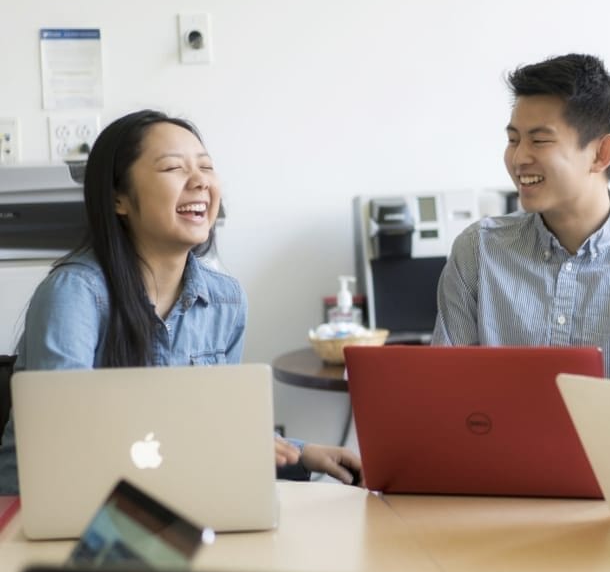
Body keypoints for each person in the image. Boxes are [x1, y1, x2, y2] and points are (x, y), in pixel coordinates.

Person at [0, 109, 361, 494]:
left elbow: (222, 425)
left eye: (206, 167)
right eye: (173, 168)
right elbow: (67, 436)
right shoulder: (74, 294)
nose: (200, 181)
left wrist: (301, 454)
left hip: (161, 500)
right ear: (118, 199)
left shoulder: (226, 300)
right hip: (42, 509)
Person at [432, 53, 610, 391]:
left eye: (539, 140)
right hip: (502, 447)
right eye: (513, 139)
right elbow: (445, 391)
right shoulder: (478, 251)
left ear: (600, 154)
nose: (519, 157)